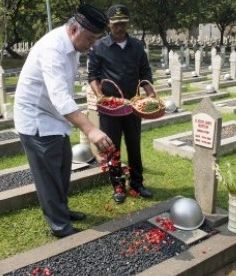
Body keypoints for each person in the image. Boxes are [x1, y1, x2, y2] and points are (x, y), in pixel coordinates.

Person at [14, 4, 113, 238]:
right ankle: (59, 226)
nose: (91, 45)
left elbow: (61, 93)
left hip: (54, 117)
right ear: (74, 29)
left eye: (96, 39)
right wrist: (91, 130)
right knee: (48, 175)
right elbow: (59, 96)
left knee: (61, 168)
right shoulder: (53, 48)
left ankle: (62, 210)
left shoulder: (73, 45)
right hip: (36, 119)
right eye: (90, 38)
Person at [87, 4, 155, 204]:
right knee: (112, 147)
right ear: (109, 24)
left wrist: (151, 93)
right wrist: (100, 95)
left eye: (123, 23)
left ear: (128, 23)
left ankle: (137, 183)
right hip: (110, 108)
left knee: (134, 145)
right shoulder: (99, 47)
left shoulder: (136, 46)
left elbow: (145, 72)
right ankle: (117, 184)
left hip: (134, 106)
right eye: (116, 24)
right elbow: (93, 76)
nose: (120, 28)